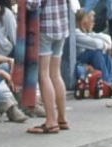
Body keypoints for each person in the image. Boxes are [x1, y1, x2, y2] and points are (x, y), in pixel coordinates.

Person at [27, 0, 70, 134]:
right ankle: (62, 118)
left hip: (45, 28)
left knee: (44, 75)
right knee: (55, 74)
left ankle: (51, 121)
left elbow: (33, 4)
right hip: (61, 26)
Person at [74, 9, 112, 94]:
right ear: (84, 22)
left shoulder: (88, 33)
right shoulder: (76, 33)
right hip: (77, 62)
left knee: (103, 52)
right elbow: (95, 44)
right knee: (96, 53)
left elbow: (106, 37)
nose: (94, 23)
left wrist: (108, 46)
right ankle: (106, 83)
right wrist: (107, 46)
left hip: (86, 60)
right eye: (92, 21)